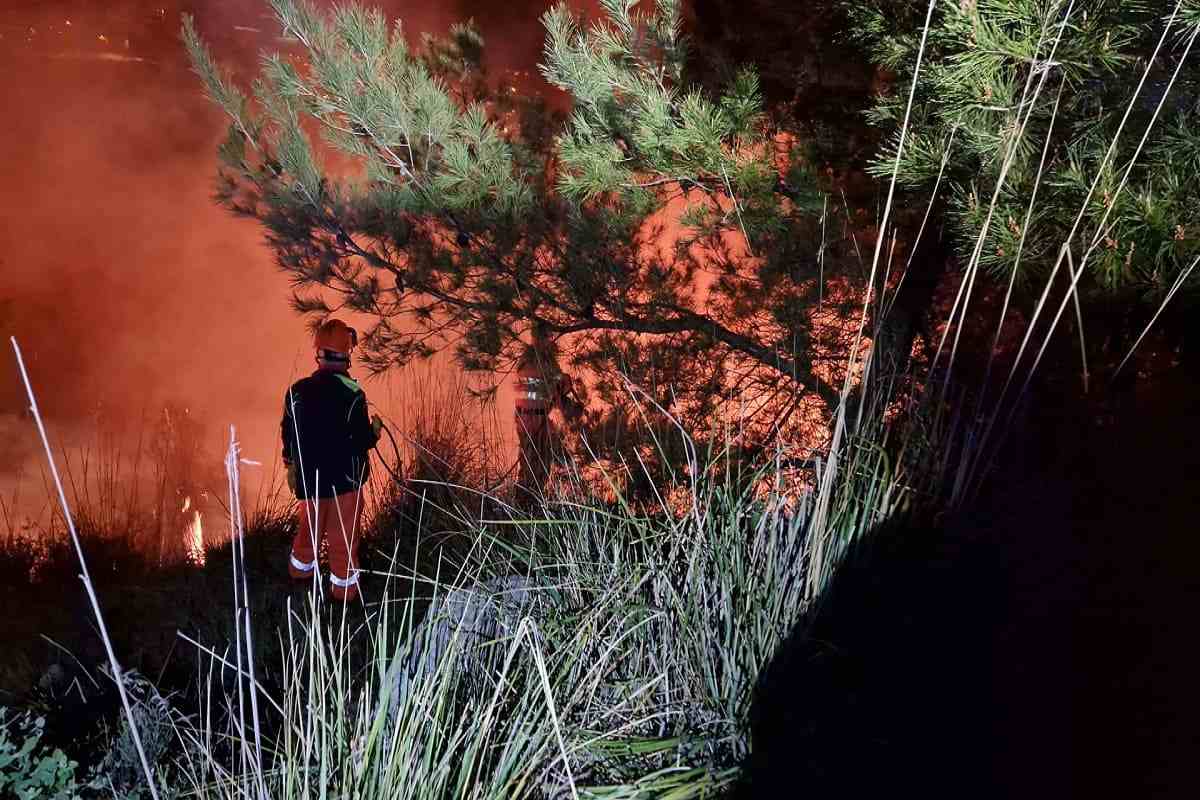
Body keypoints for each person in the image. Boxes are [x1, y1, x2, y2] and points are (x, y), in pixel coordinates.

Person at [280, 319, 382, 601]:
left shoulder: (297, 391)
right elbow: (360, 440)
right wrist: (374, 433)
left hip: (310, 484)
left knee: (307, 536)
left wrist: (291, 465)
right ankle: (344, 598)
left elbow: (288, 433)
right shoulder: (353, 394)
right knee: (343, 542)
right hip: (345, 484)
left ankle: (299, 586)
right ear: (346, 354)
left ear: (319, 353)